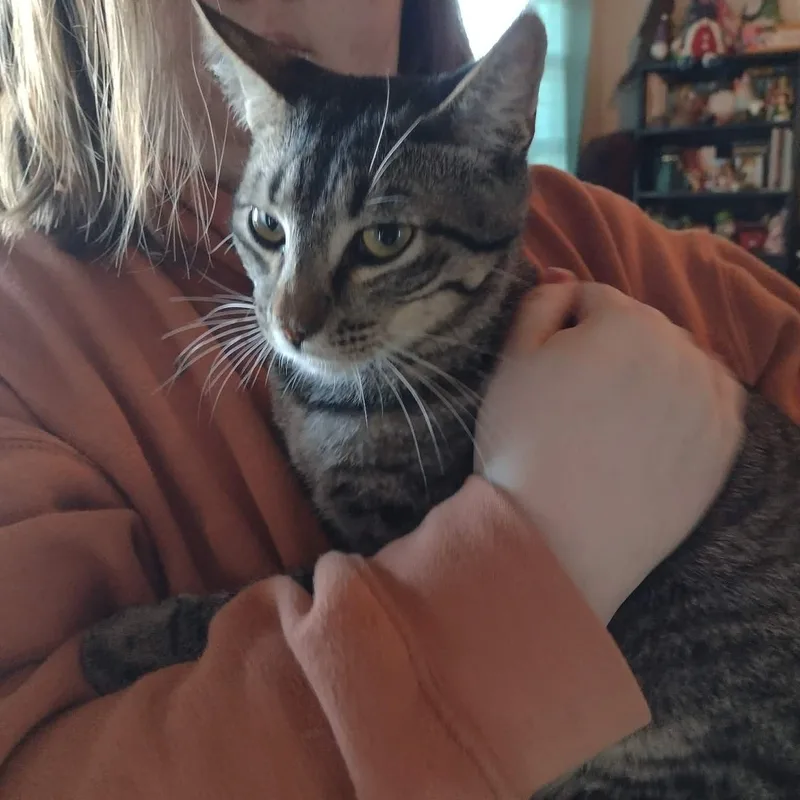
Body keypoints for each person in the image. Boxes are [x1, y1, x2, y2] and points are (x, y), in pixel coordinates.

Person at [0, 1, 798, 798]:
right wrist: (532, 558)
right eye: (269, 236)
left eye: (381, 241)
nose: (294, 317)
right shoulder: (29, 337)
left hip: (706, 714)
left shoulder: (588, 228)